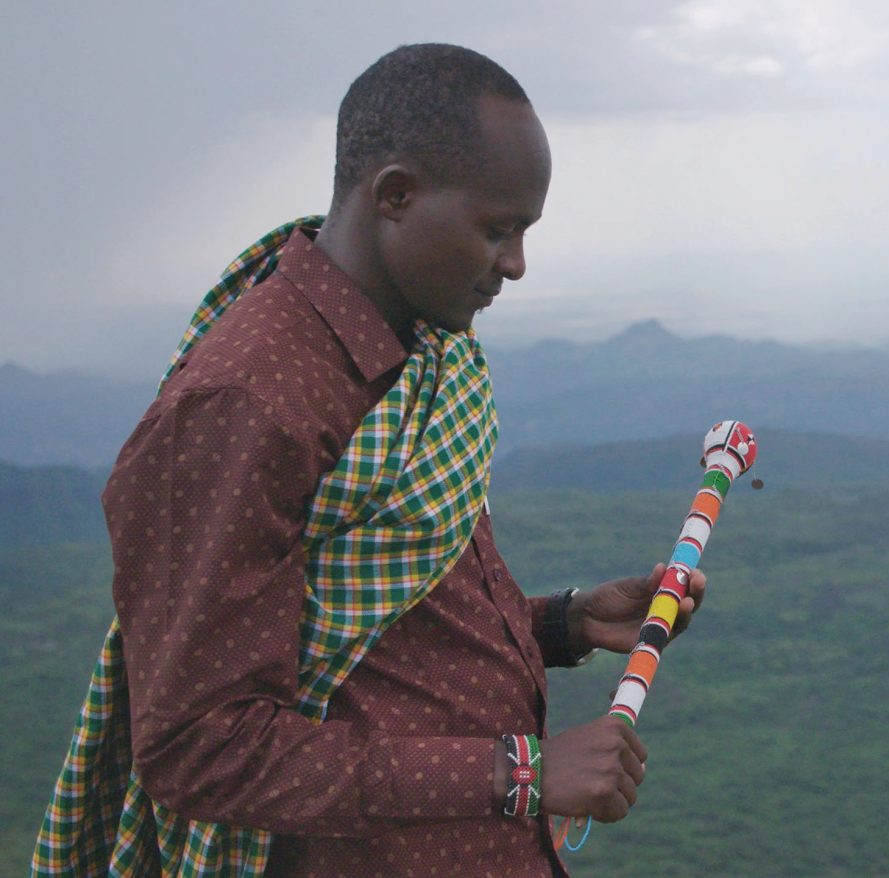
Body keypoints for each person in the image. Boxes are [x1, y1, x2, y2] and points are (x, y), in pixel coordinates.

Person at [32, 43, 703, 878]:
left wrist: (566, 624)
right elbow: (198, 746)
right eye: (496, 230)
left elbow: (373, 637)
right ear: (395, 196)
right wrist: (521, 771)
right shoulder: (248, 401)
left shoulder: (417, 351)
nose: (516, 265)